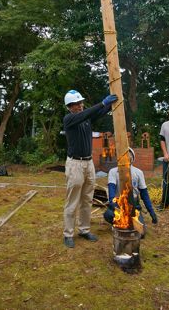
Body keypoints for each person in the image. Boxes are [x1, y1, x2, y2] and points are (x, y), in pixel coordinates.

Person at [63, 89, 118, 248]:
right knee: (72, 200)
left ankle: (84, 230)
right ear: (70, 106)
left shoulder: (86, 118)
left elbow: (98, 112)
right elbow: (88, 112)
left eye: (81, 103)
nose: (80, 105)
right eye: (76, 104)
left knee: (87, 198)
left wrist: (112, 103)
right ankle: (68, 234)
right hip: (75, 165)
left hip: (88, 164)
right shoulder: (69, 119)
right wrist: (102, 102)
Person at [103, 148, 158, 233]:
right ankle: (122, 222)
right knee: (108, 215)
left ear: (132, 158)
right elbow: (111, 190)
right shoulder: (113, 172)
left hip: (134, 205)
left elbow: (144, 194)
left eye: (129, 156)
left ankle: (127, 222)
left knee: (141, 233)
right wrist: (113, 204)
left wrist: (152, 212)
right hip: (118, 205)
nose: (126, 158)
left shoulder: (138, 173)